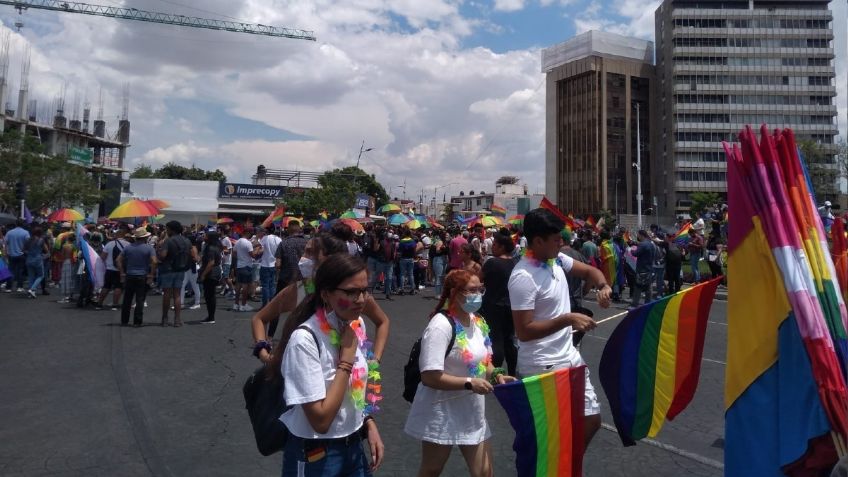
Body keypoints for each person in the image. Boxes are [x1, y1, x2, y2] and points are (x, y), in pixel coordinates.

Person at [508, 208, 611, 452]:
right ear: (537, 241)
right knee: (546, 436)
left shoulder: (557, 259)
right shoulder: (523, 276)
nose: (561, 243)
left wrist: (602, 286)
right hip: (541, 363)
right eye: (556, 240)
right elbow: (524, 331)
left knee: (591, 420)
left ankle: (565, 464)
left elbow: (590, 271)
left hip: (569, 356)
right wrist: (567, 319)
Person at [277, 253, 385, 476]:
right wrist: (345, 362)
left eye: (364, 290)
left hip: (353, 445)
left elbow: (354, 391)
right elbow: (321, 420)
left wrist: (368, 422)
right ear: (326, 294)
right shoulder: (305, 340)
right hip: (317, 454)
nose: (361, 299)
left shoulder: (356, 324)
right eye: (350, 292)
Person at [405, 269, 515, 477]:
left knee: (484, 472)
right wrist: (469, 383)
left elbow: (484, 362)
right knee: (432, 470)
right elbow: (429, 376)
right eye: (472, 290)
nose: (478, 295)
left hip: (471, 410)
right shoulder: (440, 325)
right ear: (455, 293)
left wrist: (496, 375)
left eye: (480, 289)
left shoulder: (478, 321)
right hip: (441, 411)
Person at [252, 233, 390, 366]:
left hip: (349, 379)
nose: (303, 258)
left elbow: (382, 321)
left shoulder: (355, 295)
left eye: (310, 252)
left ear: (330, 259)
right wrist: (264, 354)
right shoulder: (300, 290)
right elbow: (259, 318)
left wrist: (375, 359)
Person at [481, 231, 518, 376]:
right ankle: (512, 371)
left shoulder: (492, 262)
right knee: (509, 338)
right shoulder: (515, 263)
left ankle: (496, 372)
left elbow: (479, 279)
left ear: (502, 247)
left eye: (495, 245)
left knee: (495, 338)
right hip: (511, 305)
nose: (493, 247)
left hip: (493, 304)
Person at [117, 228, 157, 327]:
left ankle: (124, 320)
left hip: (130, 275)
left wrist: (122, 272)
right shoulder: (149, 248)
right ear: (145, 237)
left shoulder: (128, 247)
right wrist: (151, 274)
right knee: (140, 299)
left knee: (127, 299)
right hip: (142, 275)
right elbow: (154, 261)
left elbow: (118, 260)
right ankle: (137, 321)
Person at [158, 220, 191, 327]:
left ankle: (165, 318)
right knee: (177, 294)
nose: (166, 231)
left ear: (172, 229)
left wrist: (158, 250)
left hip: (168, 269)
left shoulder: (168, 241)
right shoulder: (186, 240)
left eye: (167, 229)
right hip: (181, 269)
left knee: (167, 294)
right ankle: (177, 319)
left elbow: (163, 255)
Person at [97, 225, 130, 310]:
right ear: (124, 235)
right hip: (121, 270)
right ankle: (115, 305)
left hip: (110, 269)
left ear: (116, 235)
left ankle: (99, 304)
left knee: (106, 286)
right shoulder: (128, 245)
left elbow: (103, 257)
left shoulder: (109, 244)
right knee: (118, 287)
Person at [198, 231, 222, 324]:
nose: (204, 237)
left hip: (211, 273)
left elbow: (211, 263)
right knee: (209, 295)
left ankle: (211, 317)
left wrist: (203, 274)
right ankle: (210, 316)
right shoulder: (215, 247)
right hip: (214, 272)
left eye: (206, 236)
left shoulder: (210, 248)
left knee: (209, 295)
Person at [631, 230, 656, 307]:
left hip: (642, 269)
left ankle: (635, 304)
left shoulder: (642, 244)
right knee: (648, 287)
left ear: (642, 235)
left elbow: (636, 253)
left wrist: (631, 250)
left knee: (638, 286)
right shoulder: (651, 244)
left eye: (638, 235)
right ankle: (648, 303)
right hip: (649, 268)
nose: (637, 237)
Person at [233, 231, 256, 313]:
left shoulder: (238, 241)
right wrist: (257, 253)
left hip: (240, 265)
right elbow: (252, 254)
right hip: (247, 266)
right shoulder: (248, 243)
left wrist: (240, 258)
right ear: (248, 234)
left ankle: (236, 304)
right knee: (245, 287)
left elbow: (234, 252)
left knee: (238, 286)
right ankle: (243, 305)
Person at [178, 233, 202, 311]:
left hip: (192, 268)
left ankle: (197, 303)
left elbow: (196, 259)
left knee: (194, 285)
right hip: (188, 268)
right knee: (182, 285)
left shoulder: (193, 247)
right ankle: (181, 303)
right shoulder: (191, 247)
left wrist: (189, 257)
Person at [4, 219, 30, 292]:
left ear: (15, 224)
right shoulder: (25, 232)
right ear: (23, 224)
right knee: (20, 271)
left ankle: (8, 288)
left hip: (11, 254)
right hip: (21, 254)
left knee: (10, 271)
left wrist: (6, 252)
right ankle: (19, 287)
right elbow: (28, 243)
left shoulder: (9, 232)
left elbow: (5, 243)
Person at [23, 225, 48, 299]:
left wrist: (29, 253)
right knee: (41, 275)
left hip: (29, 259)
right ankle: (32, 289)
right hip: (38, 259)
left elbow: (23, 250)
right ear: (40, 233)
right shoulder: (41, 240)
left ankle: (31, 293)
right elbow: (46, 250)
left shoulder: (28, 240)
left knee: (31, 276)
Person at [397, 228, 418, 295]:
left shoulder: (401, 241)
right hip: (411, 259)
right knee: (411, 274)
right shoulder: (413, 241)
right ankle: (412, 289)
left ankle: (402, 289)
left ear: (405, 234)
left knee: (402, 274)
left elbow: (399, 251)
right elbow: (414, 251)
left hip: (403, 258)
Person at [431, 231, 448, 298]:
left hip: (443, 259)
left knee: (443, 277)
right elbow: (437, 250)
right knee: (439, 276)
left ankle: (441, 293)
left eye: (448, 235)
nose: (447, 236)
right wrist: (442, 248)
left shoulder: (445, 242)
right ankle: (438, 294)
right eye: (446, 235)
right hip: (439, 259)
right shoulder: (440, 242)